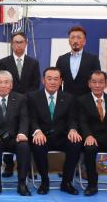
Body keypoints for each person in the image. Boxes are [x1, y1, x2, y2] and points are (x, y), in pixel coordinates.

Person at [28, 67, 82, 195]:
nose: (52, 82)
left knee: (76, 143)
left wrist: (73, 130)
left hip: (62, 136)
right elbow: (31, 119)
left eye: (56, 79)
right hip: (43, 136)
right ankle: (44, 181)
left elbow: (72, 119)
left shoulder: (69, 98)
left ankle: (67, 182)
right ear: (43, 80)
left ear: (61, 81)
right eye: (49, 79)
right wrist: (37, 131)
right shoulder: (33, 97)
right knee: (37, 144)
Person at [0, 70, 31, 196]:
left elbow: (24, 118)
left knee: (24, 146)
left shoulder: (21, 99)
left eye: (6, 82)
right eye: (0, 82)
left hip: (15, 137)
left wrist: (22, 133)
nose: (3, 85)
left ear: (11, 85)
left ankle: (22, 183)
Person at [0, 31, 41, 177]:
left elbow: (35, 85)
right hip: (8, 104)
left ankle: (27, 168)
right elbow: (1, 83)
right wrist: (13, 97)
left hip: (27, 103)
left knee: (24, 133)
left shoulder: (33, 62)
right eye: (15, 42)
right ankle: (8, 165)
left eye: (21, 41)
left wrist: (23, 98)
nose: (18, 44)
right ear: (11, 44)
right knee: (7, 131)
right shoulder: (3, 62)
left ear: (26, 43)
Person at [55, 26, 101, 97]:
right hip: (66, 101)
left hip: (86, 101)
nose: (75, 41)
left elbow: (97, 80)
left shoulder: (93, 59)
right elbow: (57, 80)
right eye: (72, 37)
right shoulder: (62, 59)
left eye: (79, 37)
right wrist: (60, 97)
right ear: (69, 41)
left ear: (84, 41)